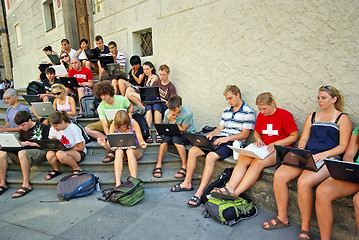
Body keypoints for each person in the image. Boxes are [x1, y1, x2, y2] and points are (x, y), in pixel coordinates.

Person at [262, 86, 352, 240]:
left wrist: (324, 155)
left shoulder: (342, 118)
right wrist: (302, 150)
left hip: (328, 158)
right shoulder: (312, 116)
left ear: (334, 99)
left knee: (303, 182)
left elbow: (343, 146)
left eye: (323, 98)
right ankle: (282, 218)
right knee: (280, 175)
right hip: (308, 155)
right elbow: (303, 138)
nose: (319, 101)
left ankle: (305, 230)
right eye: (318, 97)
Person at [170, 85, 256, 208]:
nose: (229, 101)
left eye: (230, 98)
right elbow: (220, 128)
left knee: (210, 157)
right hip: (219, 139)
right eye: (227, 99)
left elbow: (245, 134)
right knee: (193, 150)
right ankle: (187, 183)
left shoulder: (248, 112)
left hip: (233, 142)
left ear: (238, 95)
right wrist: (210, 135)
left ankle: (199, 193)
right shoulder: (227, 111)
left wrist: (226, 138)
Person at [210, 92, 299, 200]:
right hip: (264, 147)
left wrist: (277, 143)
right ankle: (229, 188)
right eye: (260, 109)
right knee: (243, 157)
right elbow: (257, 132)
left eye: (264, 108)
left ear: (272, 104)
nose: (261, 112)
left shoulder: (284, 115)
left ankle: (235, 193)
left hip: (280, 149)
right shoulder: (262, 115)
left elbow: (294, 136)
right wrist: (258, 140)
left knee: (258, 162)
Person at [315, 125, 359, 240]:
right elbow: (349, 155)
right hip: (356, 173)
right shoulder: (358, 131)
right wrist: (351, 166)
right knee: (322, 191)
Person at [0, 111, 49, 197]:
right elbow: (21, 142)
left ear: (30, 120)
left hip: (39, 151)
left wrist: (32, 143)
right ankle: (2, 183)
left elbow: (48, 145)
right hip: (24, 152)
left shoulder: (43, 127)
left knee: (22, 153)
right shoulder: (23, 130)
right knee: (2, 152)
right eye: (19, 126)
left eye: (23, 125)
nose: (21, 127)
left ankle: (26, 184)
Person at [84, 82, 133, 163]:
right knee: (87, 129)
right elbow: (104, 124)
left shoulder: (121, 99)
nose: (103, 97)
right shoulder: (101, 106)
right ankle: (110, 145)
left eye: (105, 94)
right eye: (101, 95)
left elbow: (130, 105)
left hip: (121, 121)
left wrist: (130, 113)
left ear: (109, 92)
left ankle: (112, 149)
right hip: (109, 121)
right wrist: (109, 138)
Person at [97, 110, 147, 187]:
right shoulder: (114, 125)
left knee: (129, 151)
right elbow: (110, 146)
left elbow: (141, 140)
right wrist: (104, 144)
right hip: (121, 153)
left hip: (135, 151)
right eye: (121, 125)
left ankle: (134, 180)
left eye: (125, 124)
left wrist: (143, 144)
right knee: (118, 152)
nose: (123, 127)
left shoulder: (134, 123)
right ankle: (118, 182)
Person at [152, 95, 195, 179]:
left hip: (187, 133)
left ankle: (184, 166)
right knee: (165, 139)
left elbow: (183, 129)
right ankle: (158, 164)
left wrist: (173, 121)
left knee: (176, 139)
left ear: (180, 107)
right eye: (170, 109)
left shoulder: (188, 113)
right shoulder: (167, 112)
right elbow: (167, 127)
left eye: (174, 110)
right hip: (173, 131)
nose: (172, 113)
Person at [45, 111, 86, 180]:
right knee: (49, 154)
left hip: (76, 152)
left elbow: (81, 147)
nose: (54, 128)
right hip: (61, 150)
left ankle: (77, 168)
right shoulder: (53, 129)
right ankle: (56, 169)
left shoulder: (73, 128)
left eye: (56, 126)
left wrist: (67, 149)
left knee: (60, 154)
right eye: (52, 126)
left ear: (63, 122)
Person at [145, 64, 176, 143]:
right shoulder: (156, 83)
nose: (162, 77)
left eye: (164, 75)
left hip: (163, 106)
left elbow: (172, 104)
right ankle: (148, 133)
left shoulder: (171, 87)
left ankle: (158, 133)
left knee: (157, 105)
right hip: (152, 104)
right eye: (160, 74)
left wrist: (163, 100)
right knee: (149, 107)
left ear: (168, 73)